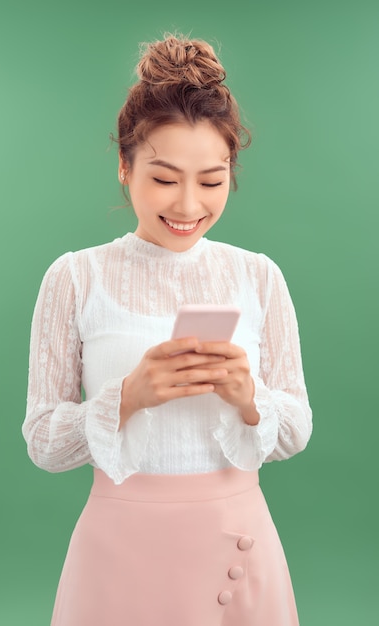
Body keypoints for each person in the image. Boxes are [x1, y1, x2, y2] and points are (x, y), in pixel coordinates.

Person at [22, 33, 312, 626]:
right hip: (119, 550)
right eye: (163, 178)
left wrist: (248, 398)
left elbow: (296, 431)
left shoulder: (258, 277)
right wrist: (129, 398)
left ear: (232, 172)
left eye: (211, 181)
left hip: (237, 543)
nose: (187, 205)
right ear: (125, 168)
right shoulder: (75, 277)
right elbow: (43, 443)